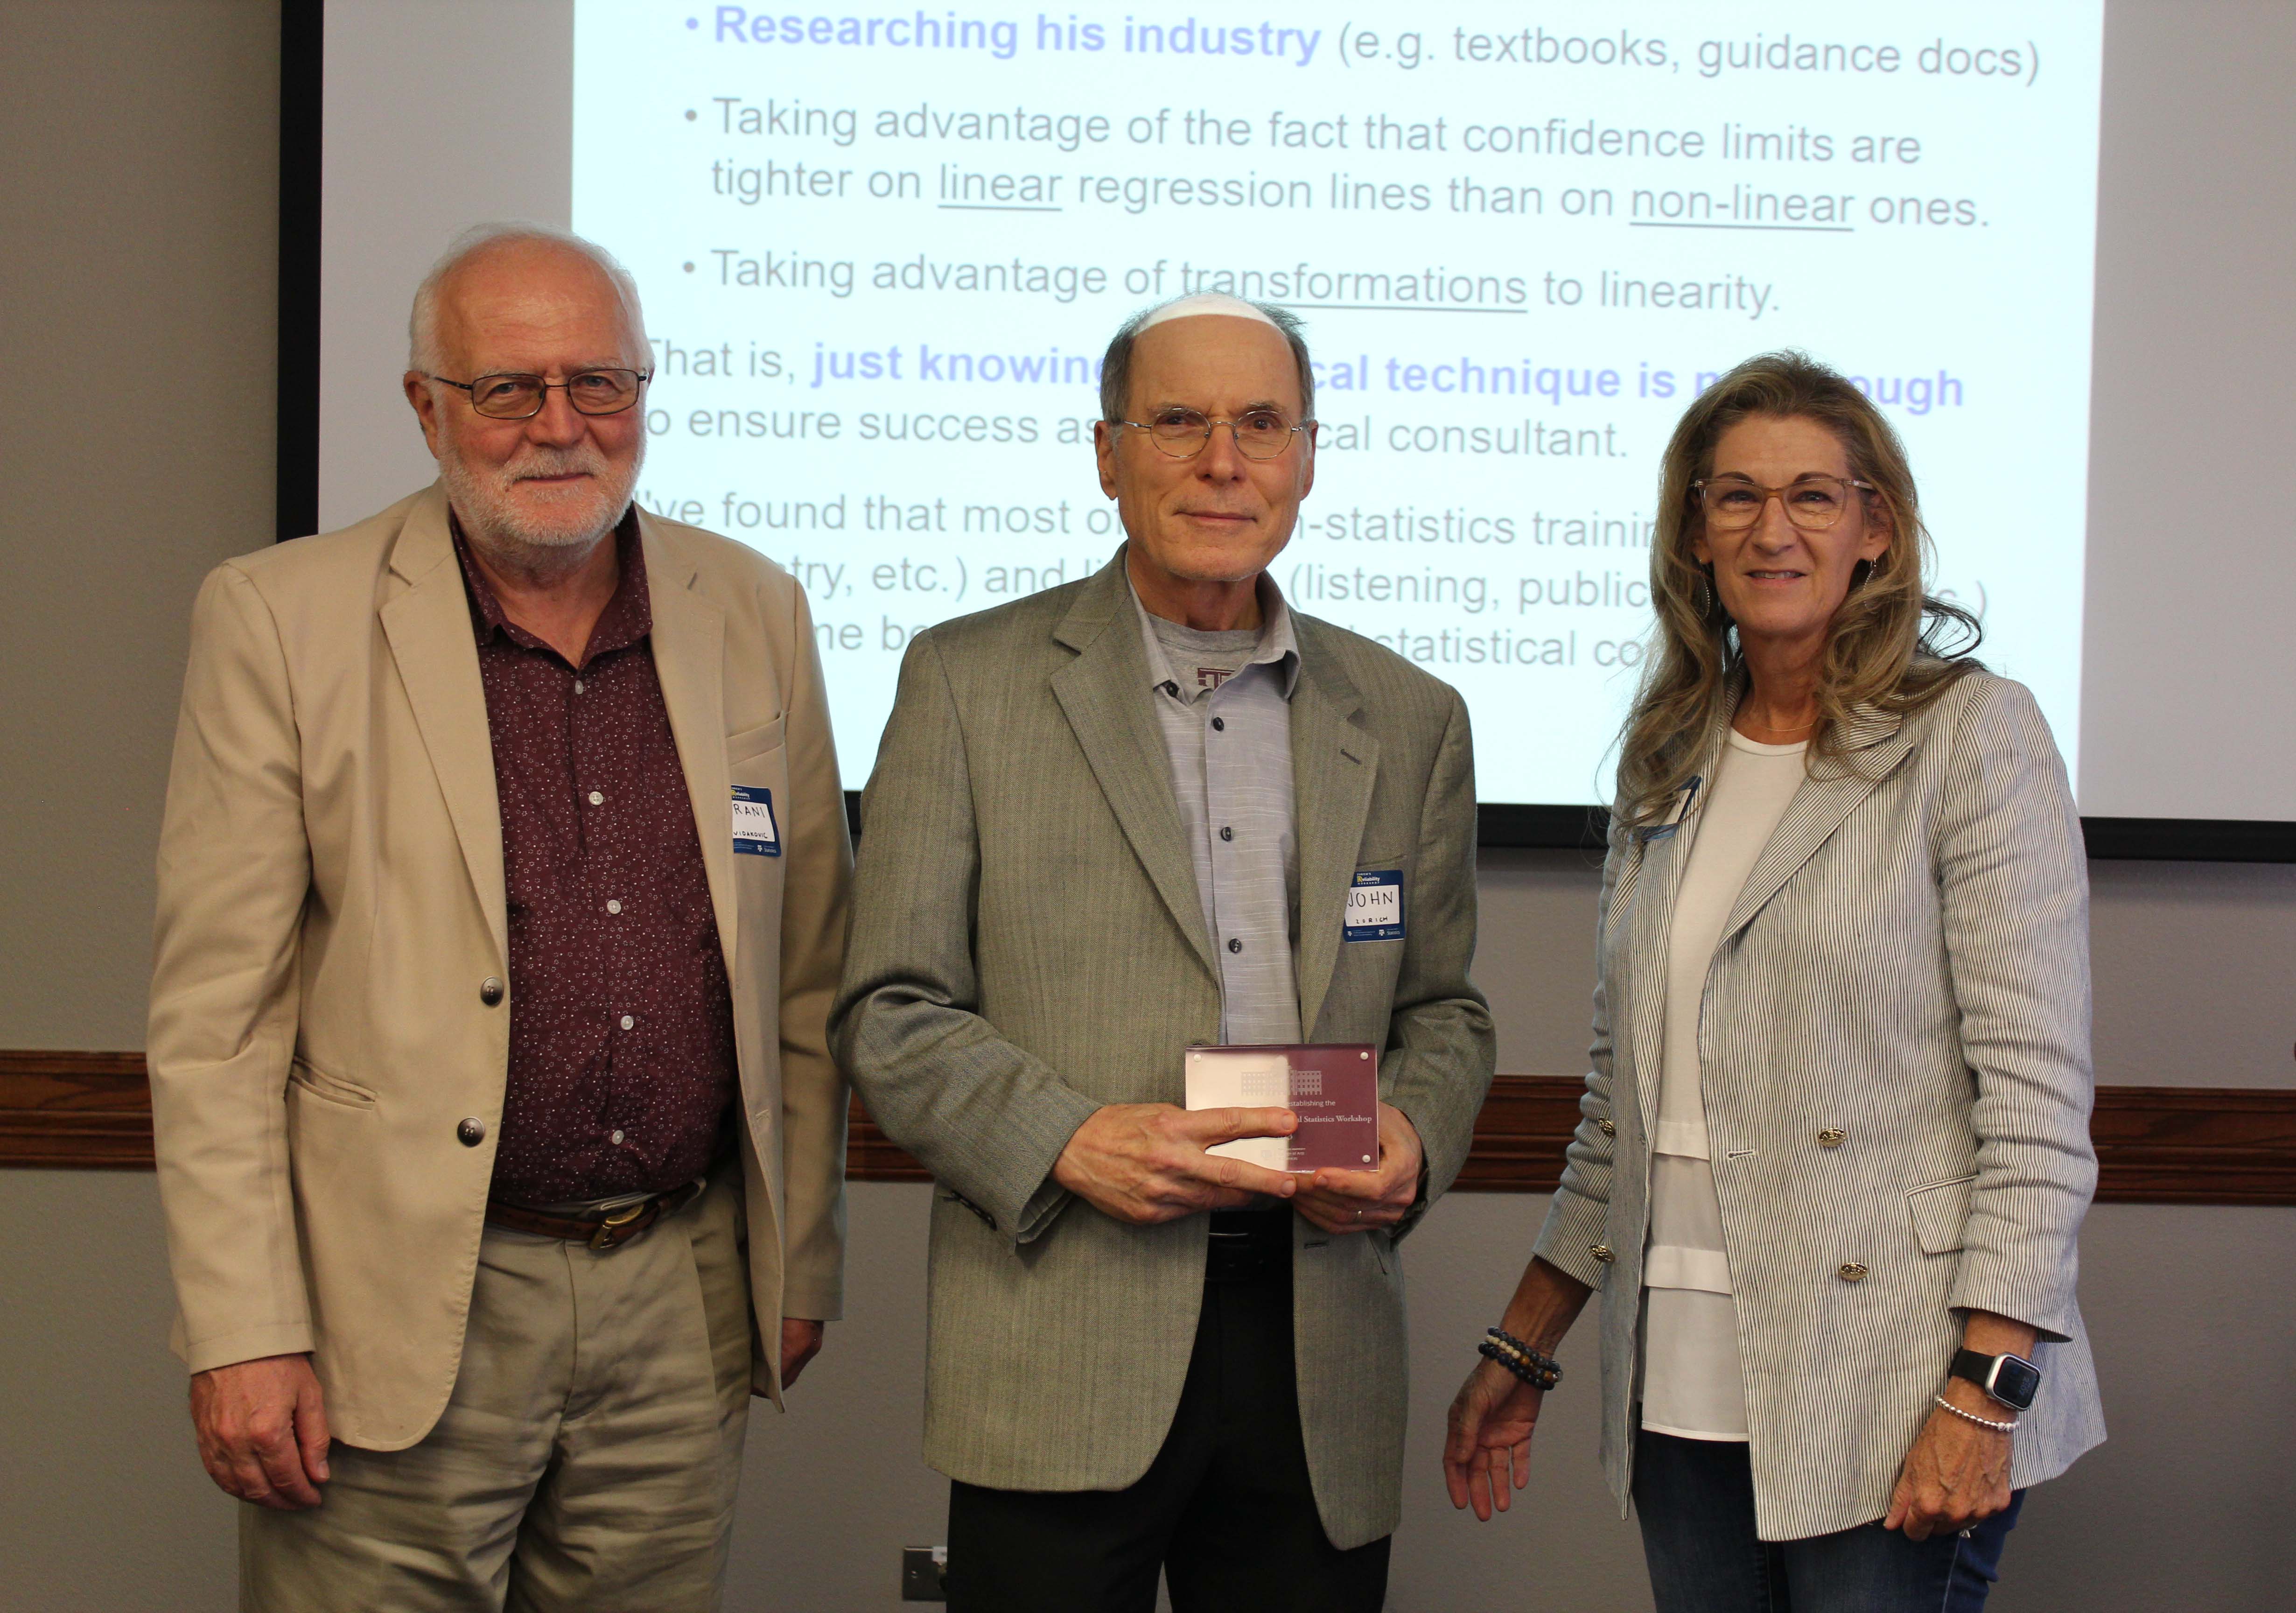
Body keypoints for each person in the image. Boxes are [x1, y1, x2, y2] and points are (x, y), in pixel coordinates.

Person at [147, 223, 853, 1611]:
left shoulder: (754, 611)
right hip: (399, 1303)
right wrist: (244, 1329)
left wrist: (800, 1250)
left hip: (679, 1289)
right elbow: (216, 1024)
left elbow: (807, 975)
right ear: (427, 406)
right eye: (507, 390)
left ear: (646, 393)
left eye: (599, 384)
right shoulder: (280, 618)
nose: (560, 428)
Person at [831, 292, 1494, 1612]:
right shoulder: (969, 683)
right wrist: (1066, 1139)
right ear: (1107, 453)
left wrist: (1418, 1137)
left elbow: (1446, 1015)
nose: (1221, 459)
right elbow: (888, 1010)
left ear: (1308, 454)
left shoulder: (1412, 716)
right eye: (1178, 421)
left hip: (1317, 1337)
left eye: (1261, 423)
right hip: (1066, 1318)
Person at [1442, 351, 2105, 1611]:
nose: (1773, 527)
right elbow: (1616, 1112)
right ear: (1695, 531)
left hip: (1896, 1381)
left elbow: (2036, 1108)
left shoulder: (1972, 734)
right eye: (1735, 495)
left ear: (1877, 528)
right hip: (1683, 1389)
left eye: (1813, 495)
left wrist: (1986, 1390)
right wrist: (1522, 1347)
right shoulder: (1668, 757)